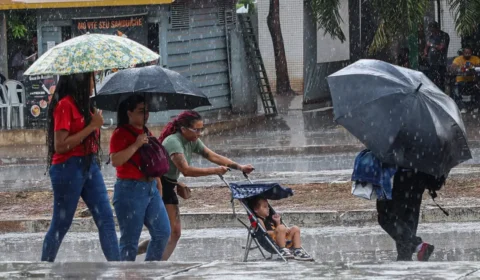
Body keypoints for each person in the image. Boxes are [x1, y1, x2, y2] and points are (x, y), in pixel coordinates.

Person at [137, 110, 254, 260]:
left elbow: (212, 155)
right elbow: (186, 170)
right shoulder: (173, 141)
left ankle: (150, 259)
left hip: (169, 185)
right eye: (196, 130)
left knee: (173, 233)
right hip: (158, 186)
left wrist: (239, 167)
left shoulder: (192, 141)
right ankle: (151, 262)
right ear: (184, 129)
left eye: (201, 129)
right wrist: (215, 171)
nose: (200, 133)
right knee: (168, 233)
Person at [42, 73, 120, 262]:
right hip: (67, 168)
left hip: (89, 164)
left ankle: (119, 269)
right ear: (81, 81)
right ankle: (44, 267)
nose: (94, 83)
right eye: (91, 79)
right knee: (61, 223)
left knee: (106, 218)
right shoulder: (64, 105)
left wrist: (93, 122)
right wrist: (91, 127)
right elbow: (60, 145)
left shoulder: (85, 106)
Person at [109, 94, 171, 261]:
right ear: (129, 113)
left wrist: (158, 183)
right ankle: (126, 275)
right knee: (129, 243)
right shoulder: (120, 133)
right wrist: (136, 144)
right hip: (130, 190)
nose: (146, 115)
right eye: (141, 111)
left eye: (147, 111)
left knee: (163, 233)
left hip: (150, 188)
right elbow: (115, 160)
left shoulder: (146, 132)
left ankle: (150, 271)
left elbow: (150, 163)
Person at [376, 169, 445, 261]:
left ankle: (418, 246)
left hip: (405, 177)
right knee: (407, 221)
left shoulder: (406, 156)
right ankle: (404, 260)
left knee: (386, 217)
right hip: (419, 180)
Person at [250, 197, 313, 261]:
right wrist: (277, 231)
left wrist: (277, 222)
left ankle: (297, 250)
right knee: (281, 227)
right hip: (274, 243)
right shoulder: (259, 220)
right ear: (256, 209)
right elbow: (264, 233)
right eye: (265, 207)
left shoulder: (269, 219)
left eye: (268, 207)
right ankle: (283, 249)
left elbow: (279, 230)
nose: (268, 209)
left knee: (295, 228)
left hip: (285, 240)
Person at [451, 46, 480, 113]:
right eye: (466, 52)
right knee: (456, 90)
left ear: (471, 53)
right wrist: (458, 67)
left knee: (477, 89)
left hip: (472, 80)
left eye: (469, 53)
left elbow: (478, 66)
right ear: (463, 53)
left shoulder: (475, 58)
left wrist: (473, 66)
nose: (467, 54)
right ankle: (462, 107)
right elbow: (453, 67)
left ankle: (475, 106)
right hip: (461, 79)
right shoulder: (458, 59)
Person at [423, 21, 450, 91]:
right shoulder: (430, 36)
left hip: (441, 63)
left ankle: (441, 93)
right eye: (430, 30)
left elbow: (442, 47)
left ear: (437, 28)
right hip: (431, 63)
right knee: (431, 81)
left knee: (441, 82)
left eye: (433, 30)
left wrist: (432, 45)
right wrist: (425, 52)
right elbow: (426, 46)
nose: (432, 32)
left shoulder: (444, 36)